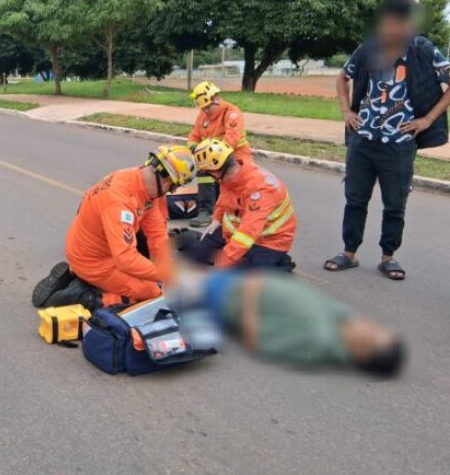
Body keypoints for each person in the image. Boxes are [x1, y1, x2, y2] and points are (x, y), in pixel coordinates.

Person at [325, 0, 450, 280]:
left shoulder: (423, 50)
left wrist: (428, 119)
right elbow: (342, 76)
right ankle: (349, 253)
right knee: (355, 199)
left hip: (400, 144)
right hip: (363, 140)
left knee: (395, 204)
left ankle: (388, 257)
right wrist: (346, 111)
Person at [32, 145, 197, 310]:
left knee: (155, 277)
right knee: (151, 292)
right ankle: (86, 297)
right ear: (167, 180)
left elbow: (156, 234)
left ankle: (80, 277)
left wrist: (166, 269)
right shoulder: (119, 201)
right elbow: (125, 259)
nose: (171, 192)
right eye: (173, 187)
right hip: (92, 260)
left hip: (100, 245)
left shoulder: (139, 182)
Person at [178, 269, 405, 376]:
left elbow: (255, 338)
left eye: (373, 333)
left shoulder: (315, 340)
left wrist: (251, 291)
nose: (370, 324)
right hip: (236, 282)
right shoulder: (340, 323)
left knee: (170, 277)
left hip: (226, 295)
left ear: (363, 353)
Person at [180, 139, 296, 270]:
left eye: (208, 173)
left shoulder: (261, 190)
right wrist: (217, 219)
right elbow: (224, 197)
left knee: (239, 277)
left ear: (216, 172)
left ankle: (279, 263)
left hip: (268, 240)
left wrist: (224, 261)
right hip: (235, 231)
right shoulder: (230, 175)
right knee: (199, 254)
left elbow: (248, 233)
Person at [186, 81, 252, 228]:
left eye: (207, 107)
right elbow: (194, 135)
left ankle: (238, 212)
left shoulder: (232, 112)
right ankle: (207, 211)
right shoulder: (203, 116)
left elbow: (231, 140)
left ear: (216, 99)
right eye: (203, 108)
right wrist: (194, 147)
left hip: (236, 156)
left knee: (232, 181)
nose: (205, 111)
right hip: (213, 157)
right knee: (203, 172)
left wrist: (208, 154)